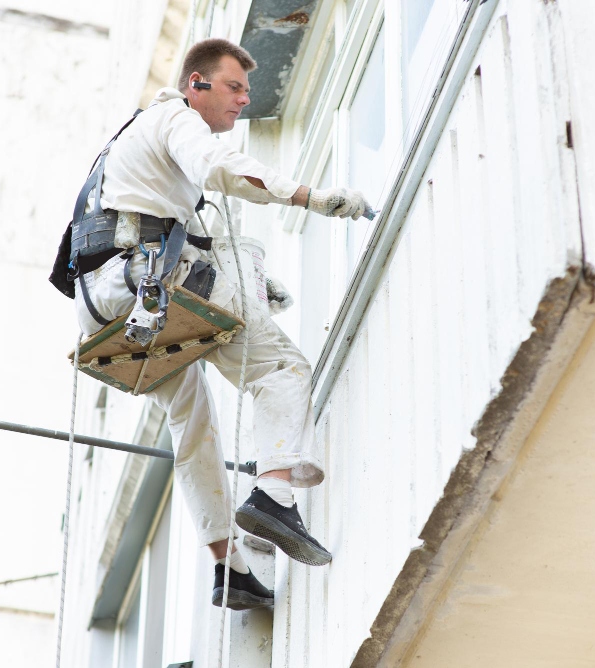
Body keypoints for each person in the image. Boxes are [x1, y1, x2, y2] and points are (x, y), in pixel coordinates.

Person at [67, 38, 371, 610]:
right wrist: (312, 197)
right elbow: (222, 169)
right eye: (233, 87)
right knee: (280, 368)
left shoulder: (135, 146)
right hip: (147, 280)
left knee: (192, 426)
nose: (243, 100)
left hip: (107, 303)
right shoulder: (176, 120)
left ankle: (230, 566)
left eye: (247, 91)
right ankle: (275, 493)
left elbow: (197, 229)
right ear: (195, 85)